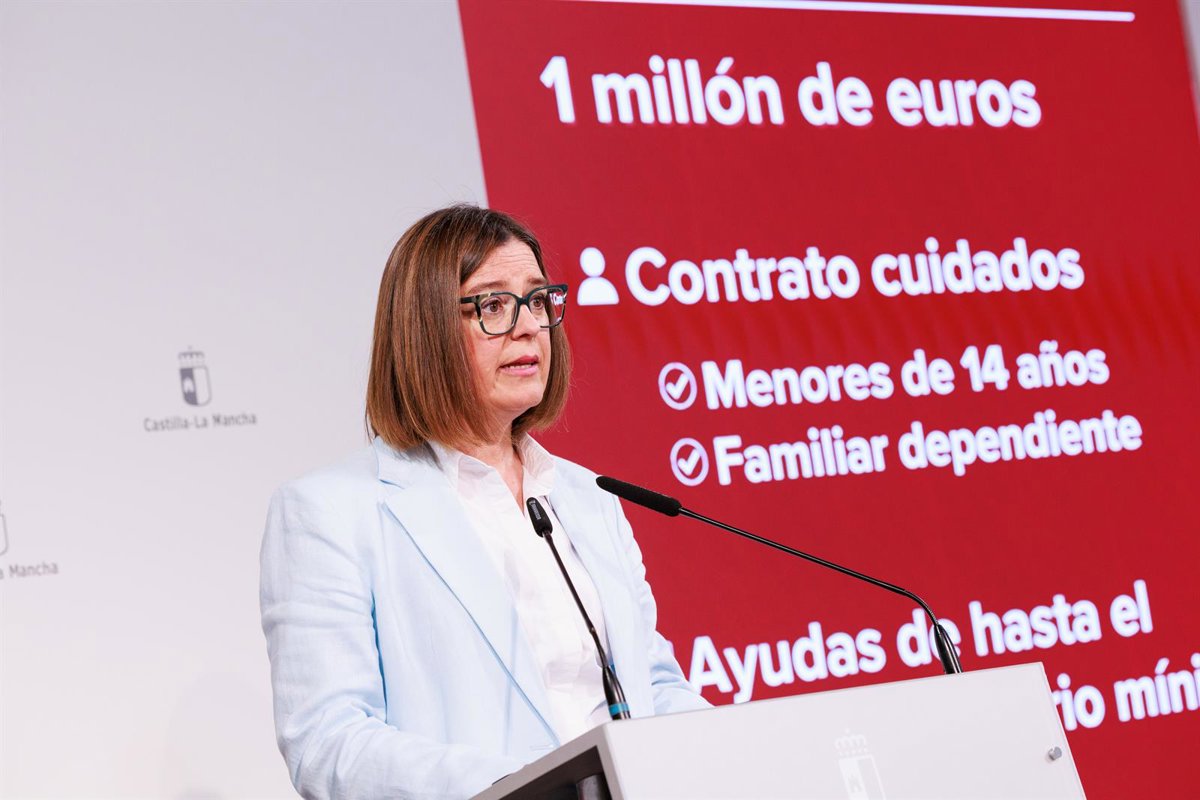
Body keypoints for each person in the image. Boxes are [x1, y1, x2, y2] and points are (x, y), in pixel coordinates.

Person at [259, 204, 709, 800]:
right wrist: (523, 789)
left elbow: (653, 685)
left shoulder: (588, 497)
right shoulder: (330, 513)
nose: (528, 327)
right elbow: (328, 741)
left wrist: (735, 749)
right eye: (493, 306)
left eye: (538, 300)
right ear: (425, 332)